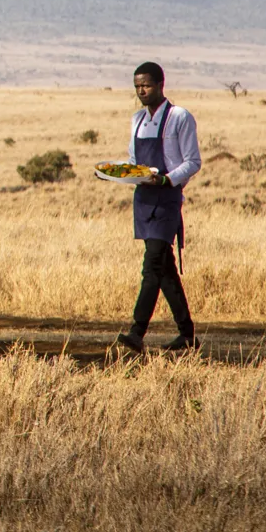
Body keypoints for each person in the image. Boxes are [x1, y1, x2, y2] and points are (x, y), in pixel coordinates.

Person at [117, 61, 201, 352]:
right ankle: (187, 335)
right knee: (165, 270)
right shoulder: (137, 119)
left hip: (166, 199)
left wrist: (166, 180)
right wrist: (117, 173)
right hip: (143, 199)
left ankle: (136, 332)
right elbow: (133, 161)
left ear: (161, 84)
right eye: (137, 86)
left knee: (152, 265)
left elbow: (192, 162)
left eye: (147, 85)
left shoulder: (180, 117)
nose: (142, 91)